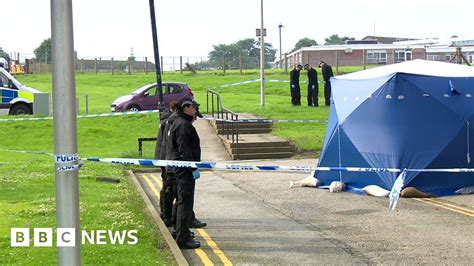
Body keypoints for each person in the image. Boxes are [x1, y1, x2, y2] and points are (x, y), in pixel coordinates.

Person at [168, 97, 202, 249]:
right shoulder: (183, 125)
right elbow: (185, 150)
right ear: (186, 107)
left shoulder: (181, 122)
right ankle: (183, 238)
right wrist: (193, 167)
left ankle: (179, 231)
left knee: (181, 201)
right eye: (193, 107)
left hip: (181, 168)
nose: (195, 110)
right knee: (185, 203)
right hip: (184, 169)